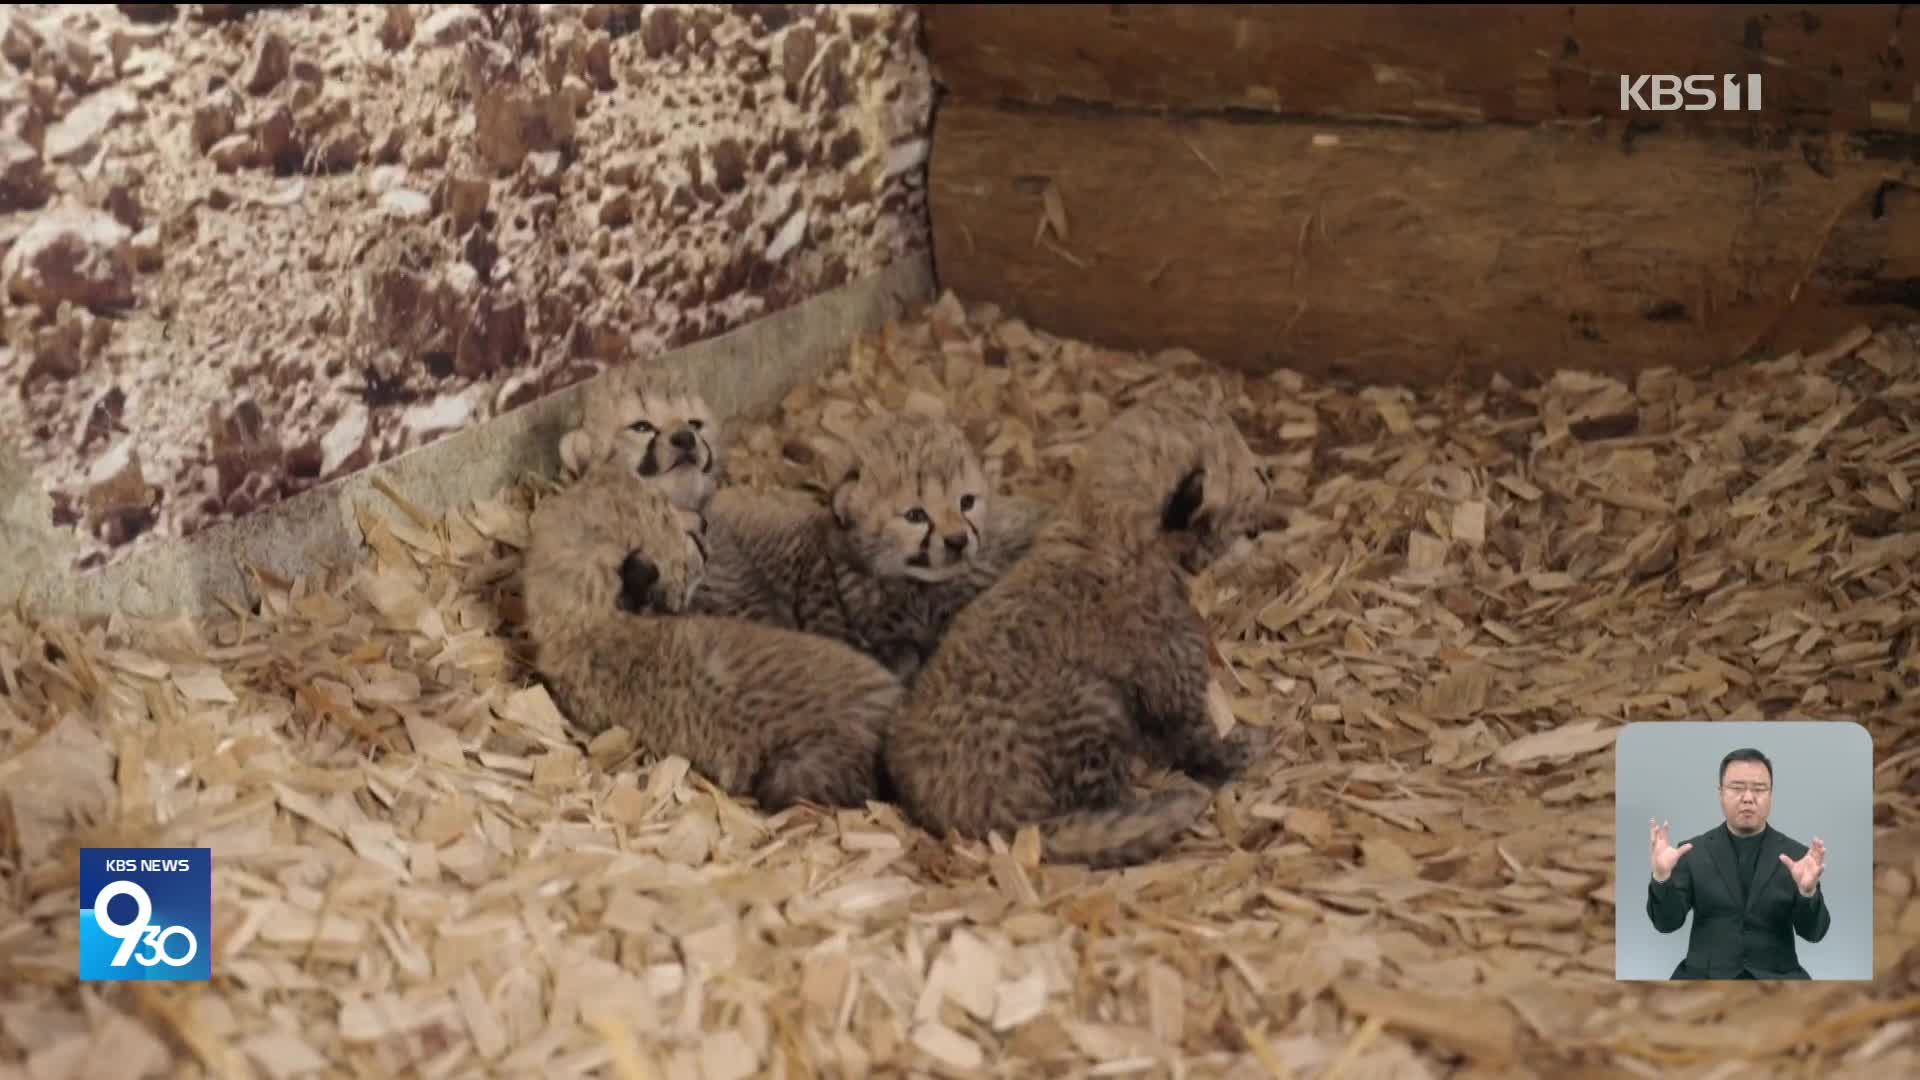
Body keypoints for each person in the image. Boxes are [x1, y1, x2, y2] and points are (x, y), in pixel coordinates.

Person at [1644, 747, 1831, 979]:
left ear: (1771, 794)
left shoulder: (1797, 857)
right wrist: (1662, 877)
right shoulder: (1692, 852)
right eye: (1737, 788)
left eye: (1759, 789)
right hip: (1705, 978)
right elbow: (1666, 924)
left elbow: (1814, 934)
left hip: (1777, 979)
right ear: (1720, 793)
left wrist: (1807, 892)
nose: (1748, 798)